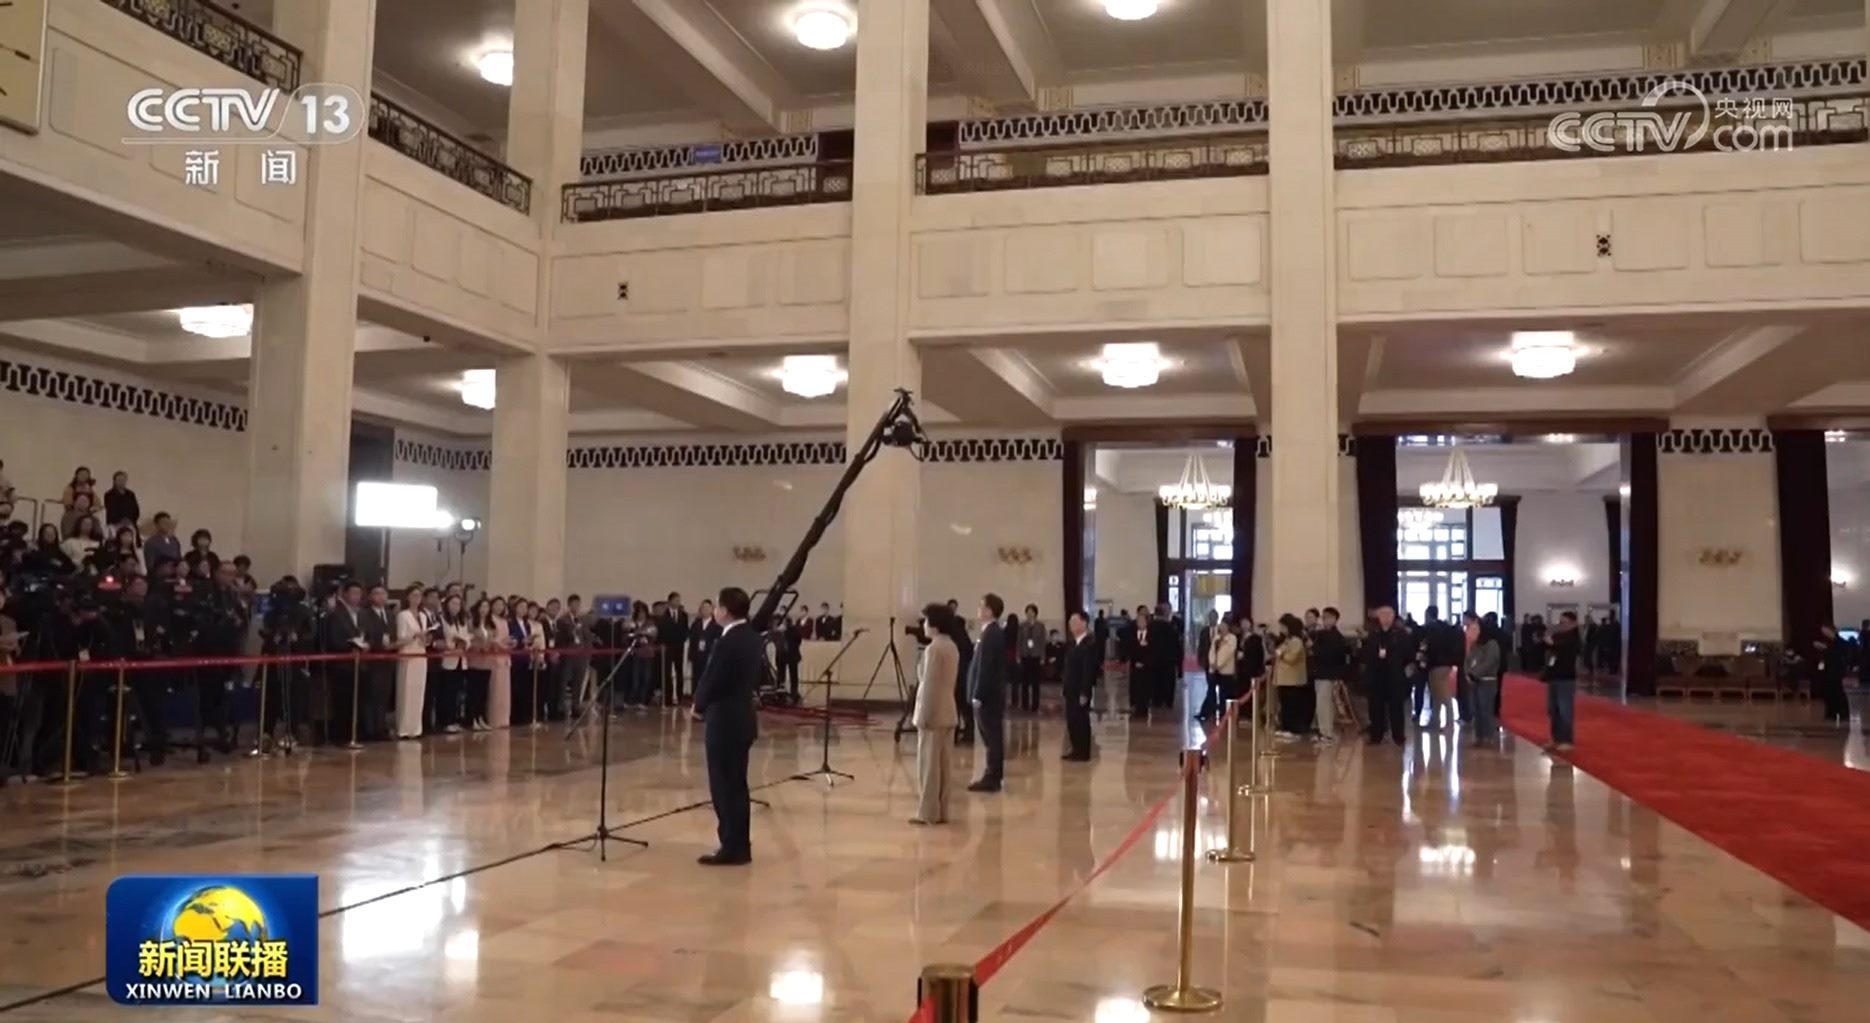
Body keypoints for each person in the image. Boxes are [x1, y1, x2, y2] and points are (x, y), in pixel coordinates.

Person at [692, 586, 760, 865]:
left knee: (723, 786)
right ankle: (740, 843)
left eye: (718, 606)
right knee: (737, 786)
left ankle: (731, 846)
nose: (716, 610)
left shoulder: (727, 641)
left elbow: (715, 679)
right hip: (743, 718)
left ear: (726, 610)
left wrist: (698, 704)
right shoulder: (752, 637)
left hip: (725, 721)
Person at [913, 603, 960, 824]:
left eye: (926, 621)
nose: (923, 625)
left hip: (933, 713)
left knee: (928, 766)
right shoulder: (951, 646)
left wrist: (924, 715)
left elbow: (930, 685)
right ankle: (942, 811)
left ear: (935, 624)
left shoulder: (934, 649)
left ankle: (928, 812)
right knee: (943, 766)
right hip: (948, 710)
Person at [967, 593, 1008, 793]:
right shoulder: (989, 632)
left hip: (988, 697)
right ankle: (993, 774)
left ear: (990, 611)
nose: (979, 609)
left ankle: (992, 777)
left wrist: (978, 694)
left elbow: (986, 667)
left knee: (992, 738)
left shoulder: (992, 633)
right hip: (989, 695)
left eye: (982, 606)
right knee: (990, 738)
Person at [1364, 606, 1411, 746]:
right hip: (1376, 676)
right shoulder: (1373, 633)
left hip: (1395, 676)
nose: (1385, 618)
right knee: (1376, 707)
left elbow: (1408, 654)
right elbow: (1366, 653)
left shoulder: (1401, 634)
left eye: (1388, 615)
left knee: (1396, 708)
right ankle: (1376, 735)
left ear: (1393, 617)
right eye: (1382, 615)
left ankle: (1398, 736)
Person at [361, 584, 395, 741]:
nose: (380, 597)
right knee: (371, 696)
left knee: (384, 695)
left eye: (383, 593)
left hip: (388, 660)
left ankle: (381, 727)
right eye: (376, 593)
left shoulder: (390, 614)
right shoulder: (364, 615)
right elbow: (364, 636)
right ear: (370, 596)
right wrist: (378, 643)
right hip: (372, 660)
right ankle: (370, 729)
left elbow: (393, 634)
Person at [1543, 611, 1581, 753]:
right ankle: (1556, 737)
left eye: (1564, 622)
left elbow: (1564, 649)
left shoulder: (1574, 638)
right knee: (1553, 709)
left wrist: (1552, 642)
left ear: (1573, 623)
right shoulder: (1559, 635)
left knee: (1565, 709)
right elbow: (1549, 646)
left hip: (1566, 677)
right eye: (1560, 622)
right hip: (1554, 675)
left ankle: (1567, 739)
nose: (1562, 625)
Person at [394, 585, 428, 740]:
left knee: (418, 691)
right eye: (414, 595)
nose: (417, 598)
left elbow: (425, 638)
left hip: (421, 654)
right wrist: (415, 635)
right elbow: (401, 638)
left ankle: (416, 727)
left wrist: (425, 638)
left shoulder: (423, 615)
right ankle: (404, 727)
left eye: (419, 595)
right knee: (406, 691)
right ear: (407, 597)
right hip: (408, 654)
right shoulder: (403, 615)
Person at [1063, 610, 1097, 760]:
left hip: (1080, 689)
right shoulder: (1072, 643)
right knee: (1072, 719)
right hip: (1070, 688)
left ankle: (1083, 751)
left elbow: (1088, 670)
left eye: (1074, 621)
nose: (1071, 625)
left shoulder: (1089, 644)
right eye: (1070, 622)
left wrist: (1085, 691)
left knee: (1081, 720)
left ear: (1084, 623)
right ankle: (1075, 748)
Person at [1311, 608, 1349, 743]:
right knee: (1321, 704)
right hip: (1320, 672)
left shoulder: (1337, 637)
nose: (1324, 620)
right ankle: (1323, 730)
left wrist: (1314, 648)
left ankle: (1326, 732)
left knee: (1325, 704)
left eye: (1327, 617)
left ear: (1334, 619)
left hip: (1329, 674)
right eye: (1323, 617)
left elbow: (1332, 655)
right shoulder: (1321, 634)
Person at [1464, 613, 1503, 745]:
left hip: (1487, 680)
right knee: (1476, 710)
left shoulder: (1492, 644)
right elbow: (1468, 659)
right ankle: (1479, 736)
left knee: (1485, 709)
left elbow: (1489, 662)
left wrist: (1474, 673)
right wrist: (1468, 673)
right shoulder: (1476, 645)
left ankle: (1488, 736)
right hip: (1474, 681)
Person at [436, 592, 470, 734]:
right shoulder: (442, 620)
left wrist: (464, 643)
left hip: (461, 659)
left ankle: (454, 719)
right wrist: (453, 644)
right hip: (448, 659)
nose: (456, 607)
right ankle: (446, 721)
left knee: (457, 691)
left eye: (458, 604)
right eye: (453, 603)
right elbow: (443, 639)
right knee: (447, 692)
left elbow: (467, 637)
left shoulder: (462, 621)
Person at [1272, 614, 1311, 738]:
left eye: (1283, 626)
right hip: (1284, 679)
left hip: (1293, 679)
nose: (1281, 629)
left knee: (1291, 705)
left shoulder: (1296, 641)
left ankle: (1293, 729)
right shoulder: (1287, 640)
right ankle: (1286, 727)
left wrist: (1281, 654)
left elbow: (1291, 658)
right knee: (1285, 704)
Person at [1813, 623, 1850, 723]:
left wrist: (1825, 648)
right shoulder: (1828, 641)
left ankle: (1843, 712)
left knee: (1837, 690)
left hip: (1836, 670)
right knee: (1828, 691)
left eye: (1825, 631)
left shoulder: (1840, 642)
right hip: (1828, 669)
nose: (1824, 633)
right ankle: (1831, 712)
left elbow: (1838, 654)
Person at [1204, 614, 1238, 722]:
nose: (1221, 626)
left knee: (1224, 693)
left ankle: (1225, 714)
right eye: (1221, 624)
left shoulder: (1232, 638)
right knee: (1211, 690)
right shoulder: (1217, 637)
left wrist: (1219, 664)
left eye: (1224, 625)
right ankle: (1210, 712)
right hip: (1214, 670)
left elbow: (1228, 653)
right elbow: (1211, 651)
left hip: (1226, 671)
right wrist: (1212, 663)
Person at [1016, 604, 1045, 713]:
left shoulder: (1040, 626)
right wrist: (1018, 655)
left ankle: (1035, 705)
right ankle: (1025, 705)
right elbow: (1019, 641)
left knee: (1035, 682)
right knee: (1025, 682)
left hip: (1036, 656)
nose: (1029, 614)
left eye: (1031, 612)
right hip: (1025, 655)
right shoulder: (1022, 625)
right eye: (1028, 612)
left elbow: (1042, 642)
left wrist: (1042, 656)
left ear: (1035, 613)